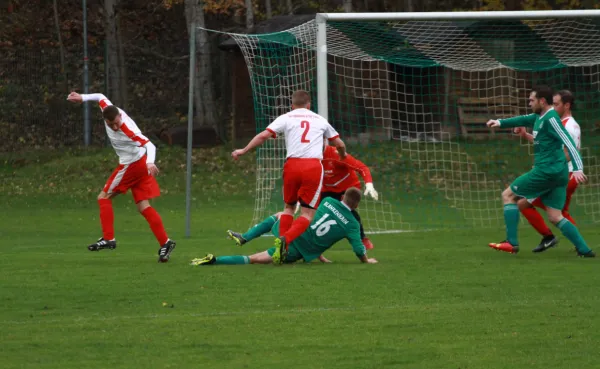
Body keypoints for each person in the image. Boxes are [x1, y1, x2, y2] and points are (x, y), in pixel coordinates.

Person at [231, 90, 347, 264]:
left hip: (292, 165)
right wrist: (343, 155)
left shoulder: (286, 117)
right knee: (307, 214)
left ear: (292, 105)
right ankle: (286, 241)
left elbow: (263, 135)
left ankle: (281, 247)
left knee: (288, 208)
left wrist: (243, 150)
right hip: (312, 166)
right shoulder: (320, 120)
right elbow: (339, 143)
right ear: (309, 105)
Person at [66, 92, 176, 262]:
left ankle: (109, 238)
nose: (115, 127)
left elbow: (150, 145)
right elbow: (100, 96)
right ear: (105, 120)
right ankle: (166, 243)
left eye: (117, 123)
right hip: (138, 163)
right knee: (143, 206)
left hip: (133, 165)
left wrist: (150, 162)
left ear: (120, 116)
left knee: (103, 197)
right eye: (111, 125)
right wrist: (82, 97)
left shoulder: (127, 129)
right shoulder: (107, 108)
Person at [485, 85, 594, 257]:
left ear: (542, 101)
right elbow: (522, 119)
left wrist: (579, 168)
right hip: (557, 174)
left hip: (546, 171)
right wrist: (500, 122)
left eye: (531, 100)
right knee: (555, 216)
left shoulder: (551, 118)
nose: (529, 103)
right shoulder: (540, 116)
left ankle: (511, 243)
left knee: (509, 196)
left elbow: (570, 144)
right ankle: (585, 250)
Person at [190, 187, 378, 266]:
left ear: (343, 196)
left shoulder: (328, 200)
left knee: (282, 215)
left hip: (293, 234)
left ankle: (244, 237)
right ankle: (215, 260)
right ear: (356, 205)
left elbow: (315, 222)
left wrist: (319, 253)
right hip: (297, 249)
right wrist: (366, 260)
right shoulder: (352, 223)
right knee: (253, 259)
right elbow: (358, 249)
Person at [513, 90, 581, 252]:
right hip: (560, 174)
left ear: (567, 105)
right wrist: (525, 135)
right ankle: (573, 243)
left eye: (556, 104)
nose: (553, 107)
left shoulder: (569, 126)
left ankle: (552, 238)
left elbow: (569, 153)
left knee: (525, 203)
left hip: (563, 175)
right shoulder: (557, 122)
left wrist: (547, 168)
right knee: (557, 212)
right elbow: (545, 145)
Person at [321, 138, 379, 249]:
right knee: (315, 213)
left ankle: (362, 238)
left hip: (347, 187)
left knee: (348, 212)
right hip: (327, 189)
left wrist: (369, 184)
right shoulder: (308, 156)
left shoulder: (335, 154)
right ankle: (311, 243)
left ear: (324, 141)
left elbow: (362, 168)